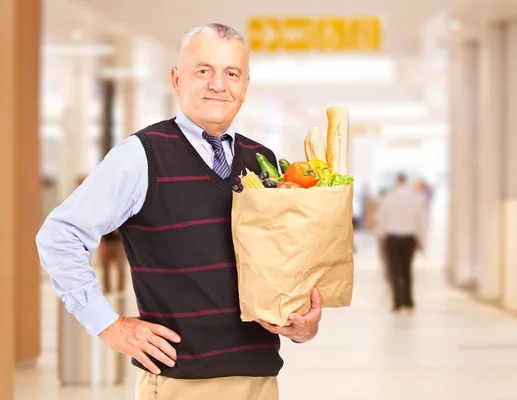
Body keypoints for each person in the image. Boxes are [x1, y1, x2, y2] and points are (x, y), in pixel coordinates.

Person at [36, 23, 321, 400]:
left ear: (245, 85)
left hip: (261, 382)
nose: (218, 84)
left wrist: (302, 325)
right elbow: (59, 237)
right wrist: (109, 326)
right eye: (203, 71)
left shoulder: (262, 161)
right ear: (176, 79)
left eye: (231, 73)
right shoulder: (141, 156)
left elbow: (279, 272)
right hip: (180, 385)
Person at [375, 174, 427, 311]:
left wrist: (380, 235)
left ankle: (397, 301)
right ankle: (408, 301)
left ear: (397, 181)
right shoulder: (414, 198)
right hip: (409, 237)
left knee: (394, 270)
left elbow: (381, 218)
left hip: (392, 237)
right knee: (407, 269)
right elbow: (420, 220)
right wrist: (421, 240)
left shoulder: (389, 197)